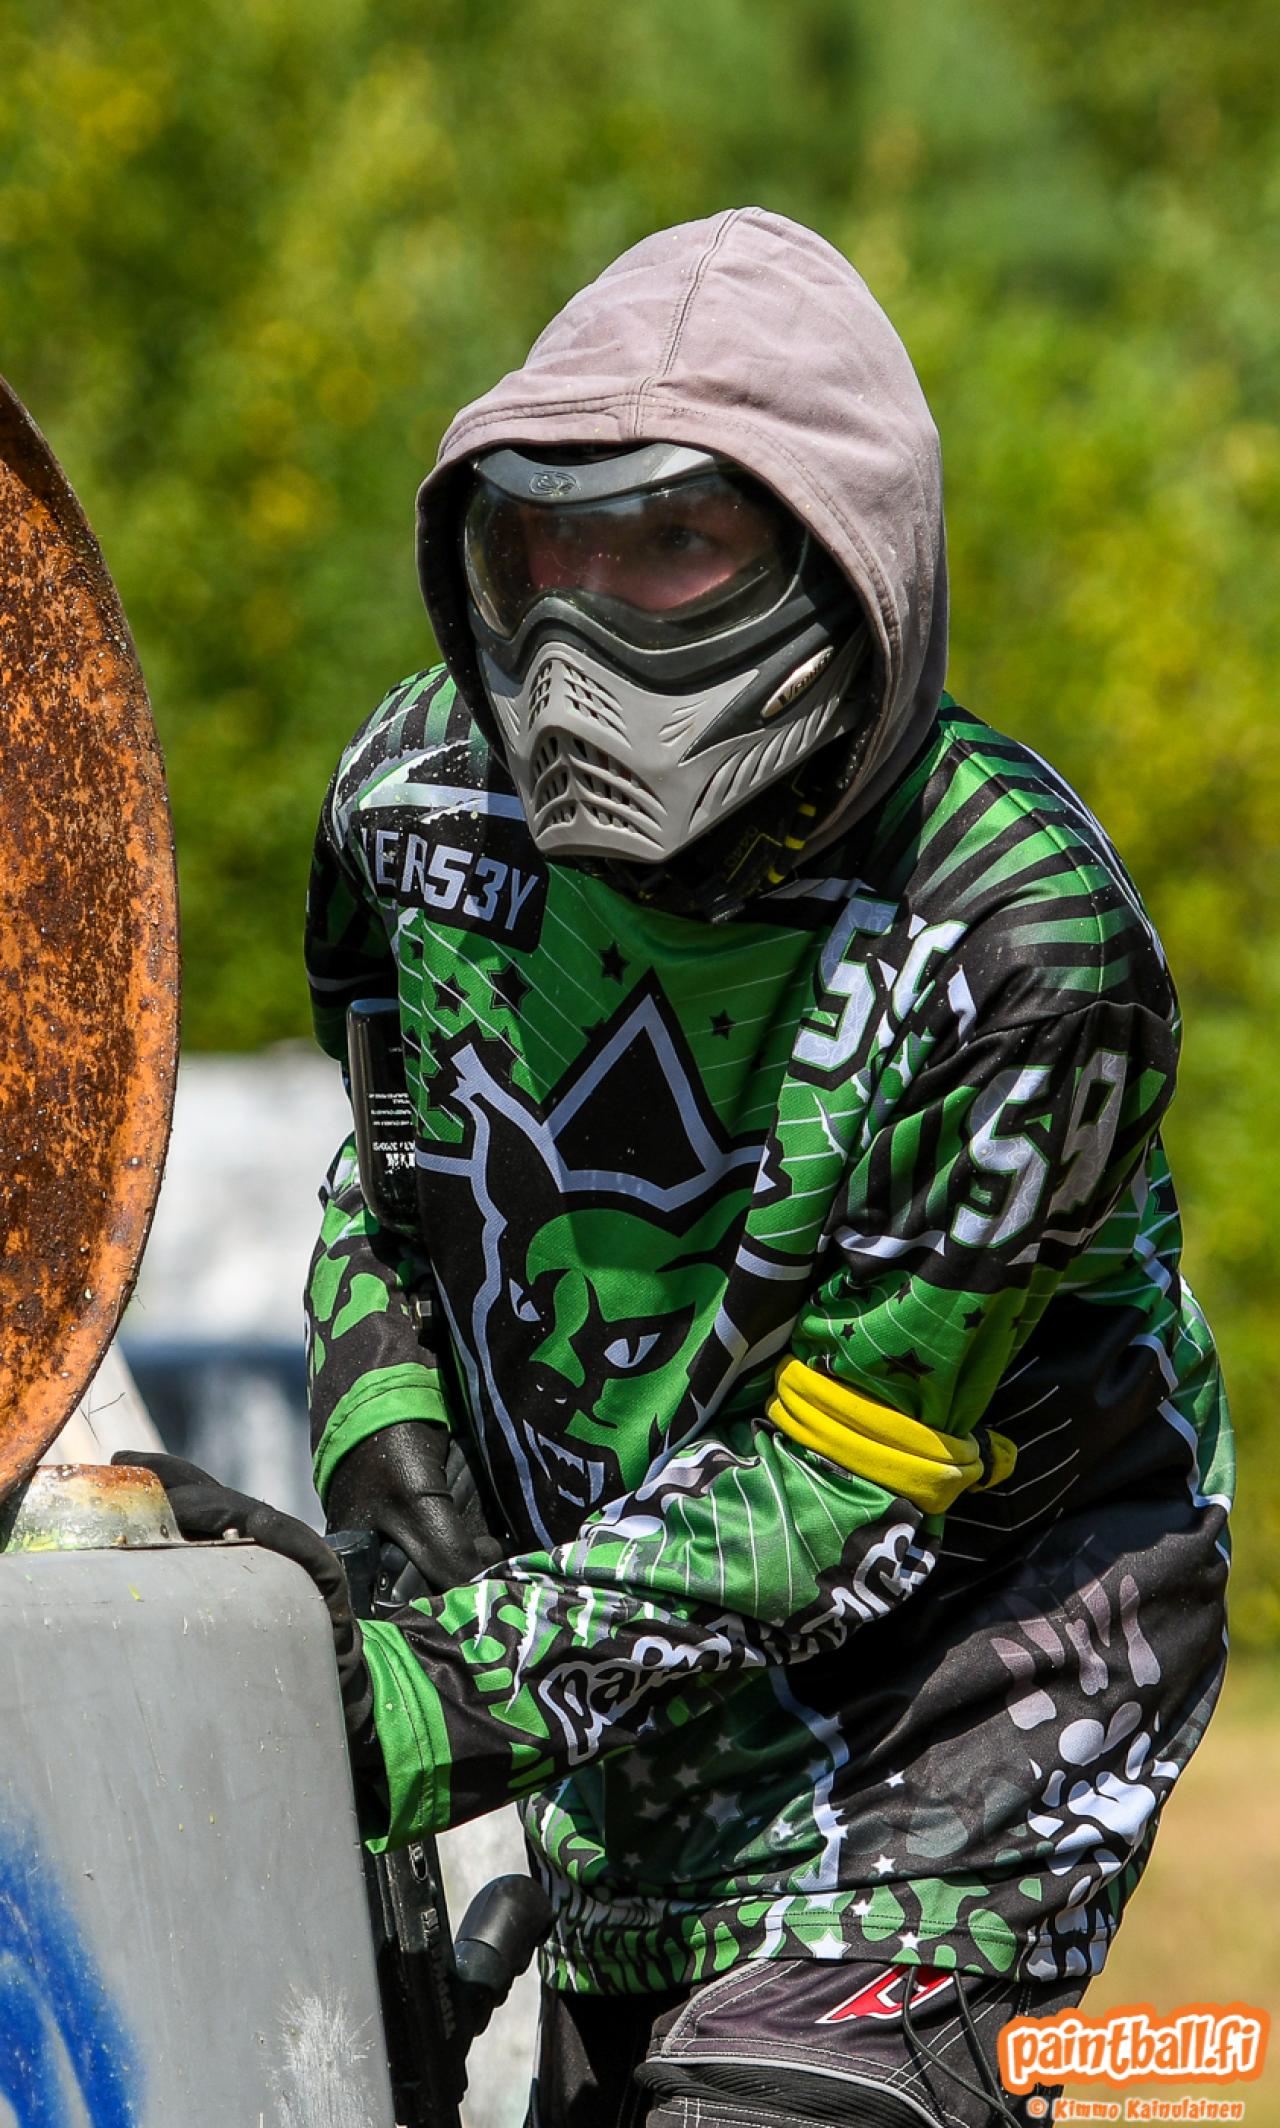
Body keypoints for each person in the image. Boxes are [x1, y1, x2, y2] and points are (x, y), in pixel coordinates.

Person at [154, 211, 1235, 2128]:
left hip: (957, 1728)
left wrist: (438, 1694)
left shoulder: (1019, 939)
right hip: (623, 1741)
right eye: (538, 551)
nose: (575, 633)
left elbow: (843, 1486)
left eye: (667, 544)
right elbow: (388, 1190)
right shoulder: (410, 806)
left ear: (842, 558)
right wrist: (391, 1454)